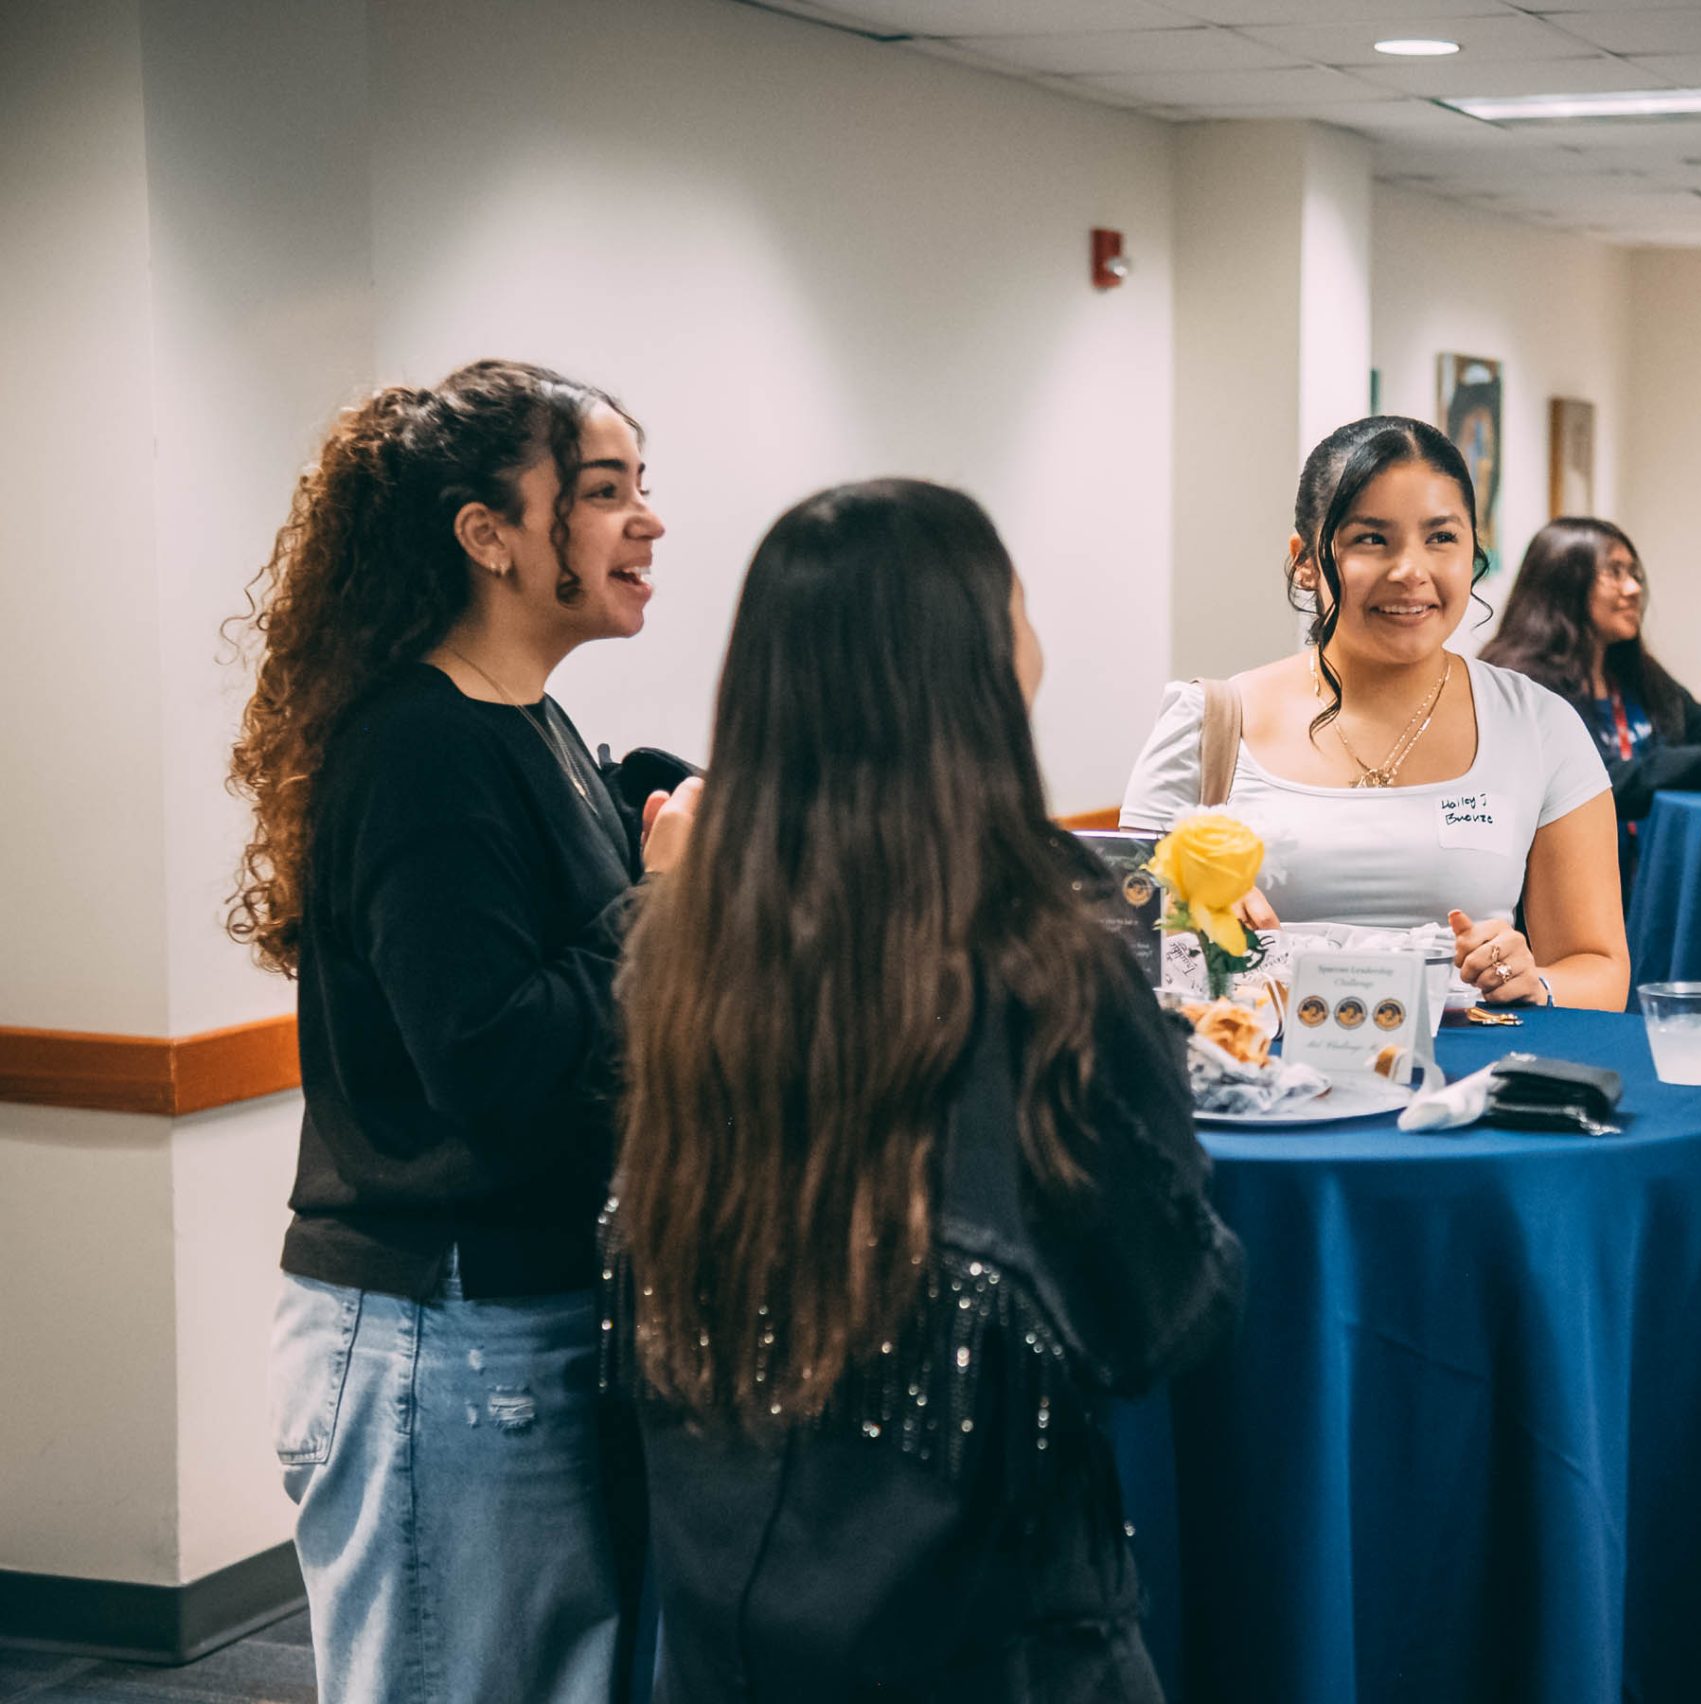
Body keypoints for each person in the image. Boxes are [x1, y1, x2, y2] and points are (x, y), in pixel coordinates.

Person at [611, 480, 1242, 1702]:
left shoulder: (680, 952)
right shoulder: (1044, 962)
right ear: (980, 669)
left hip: (724, 1630)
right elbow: (1165, 1311)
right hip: (988, 1644)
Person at [229, 359, 692, 1701]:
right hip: (440, 1334)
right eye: (601, 493)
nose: (648, 521)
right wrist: (658, 901)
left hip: (512, 1322)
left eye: (641, 487)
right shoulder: (420, 748)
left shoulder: (527, 724)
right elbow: (495, 1058)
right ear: (489, 535)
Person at [1119, 416, 1630, 1009]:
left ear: (1474, 551)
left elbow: (1599, 969)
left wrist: (1534, 981)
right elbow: (1122, 945)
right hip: (1254, 1064)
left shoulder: (1539, 725)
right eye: (1371, 539)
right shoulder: (1209, 723)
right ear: (1305, 560)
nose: (1411, 571)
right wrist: (1188, 921)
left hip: (1473, 1066)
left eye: (1441, 538)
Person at [1481, 515, 1701, 886]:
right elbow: (1604, 783)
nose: (1634, 588)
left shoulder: (1636, 676)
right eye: (1614, 573)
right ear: (1563, 583)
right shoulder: (1519, 686)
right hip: (1564, 893)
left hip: (1654, 885)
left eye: (1634, 573)